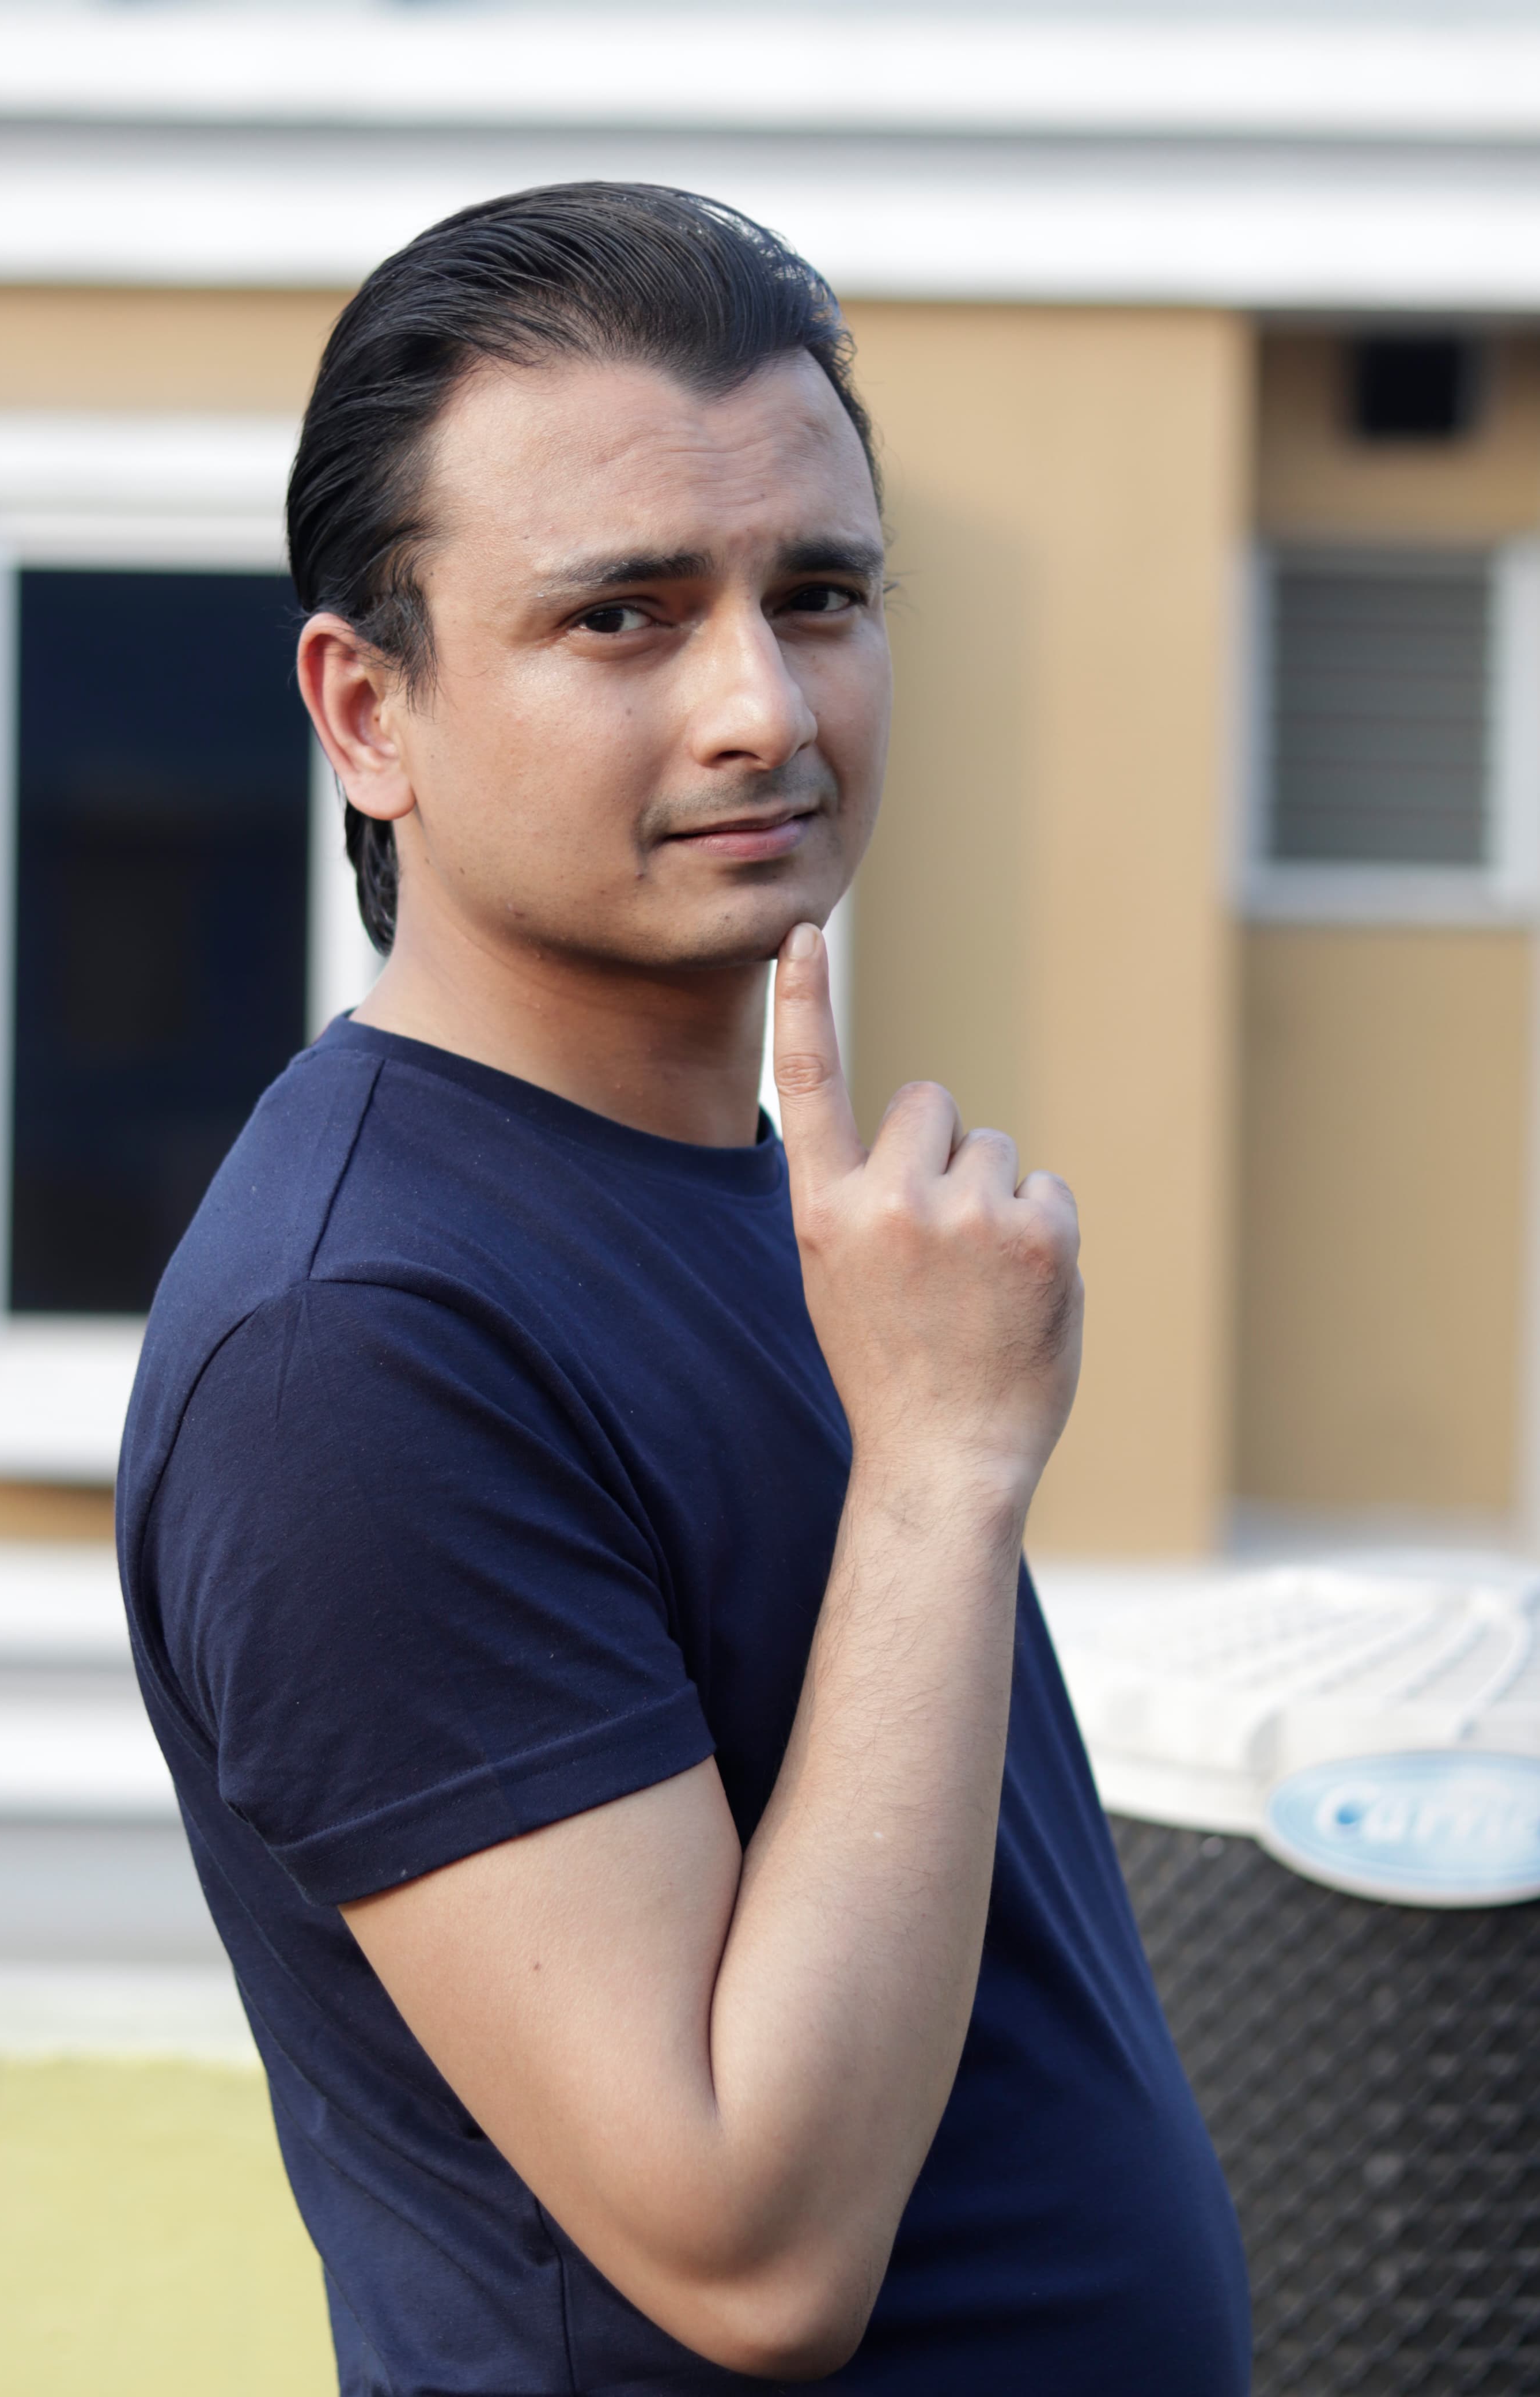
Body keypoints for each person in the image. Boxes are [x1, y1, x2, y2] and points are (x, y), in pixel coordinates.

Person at [118, 183, 1251, 2395]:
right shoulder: (358, 1342)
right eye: (623, 616)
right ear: (369, 712)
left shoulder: (763, 1205)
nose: (763, 705)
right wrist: (941, 1471)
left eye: (818, 594)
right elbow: (748, 2249)